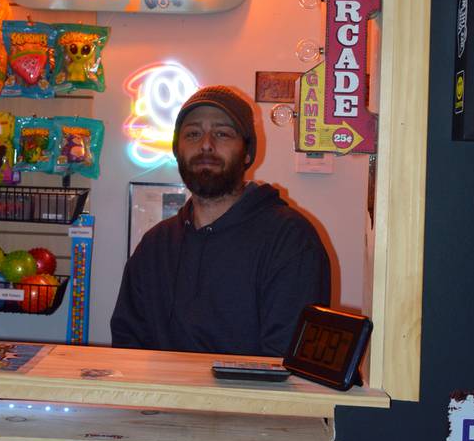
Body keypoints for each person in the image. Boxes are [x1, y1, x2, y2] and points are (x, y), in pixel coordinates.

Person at [110, 85, 330, 357]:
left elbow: (287, 364)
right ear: (177, 151)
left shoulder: (290, 240)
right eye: (192, 134)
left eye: (222, 133)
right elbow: (126, 348)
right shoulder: (155, 245)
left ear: (247, 153)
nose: (205, 144)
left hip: (254, 401)